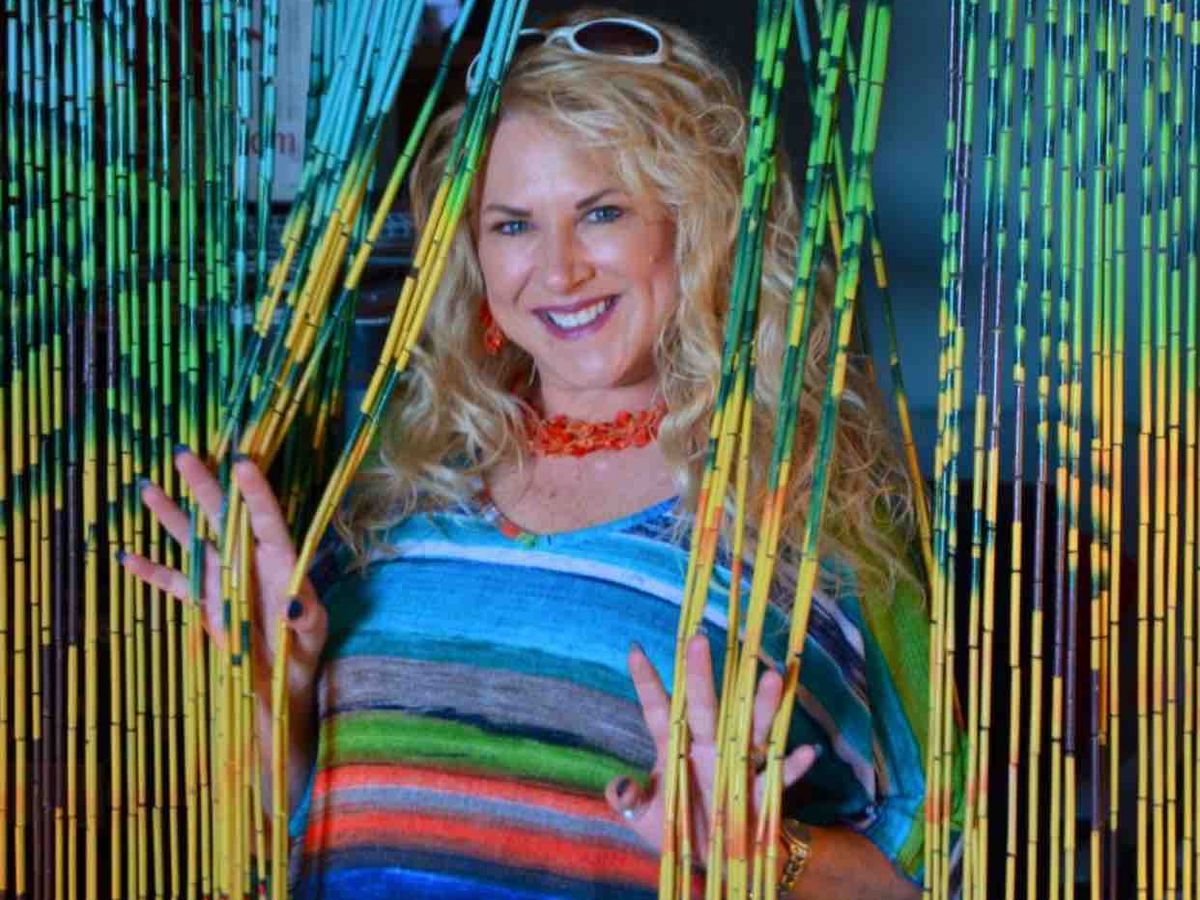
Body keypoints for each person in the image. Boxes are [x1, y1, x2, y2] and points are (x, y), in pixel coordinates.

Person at [123, 9, 931, 898]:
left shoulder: (811, 522)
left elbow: (931, 867)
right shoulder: (394, 494)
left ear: (696, 225)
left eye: (602, 212)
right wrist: (280, 693)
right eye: (512, 225)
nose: (557, 270)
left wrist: (764, 855)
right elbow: (309, 824)